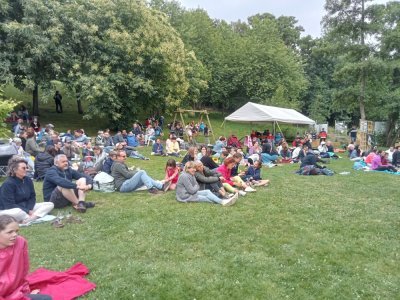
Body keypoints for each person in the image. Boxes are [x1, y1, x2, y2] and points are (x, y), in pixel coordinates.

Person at [0, 215, 52, 300]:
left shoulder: (20, 242)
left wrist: (25, 291)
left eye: (16, 231)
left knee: (46, 298)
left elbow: (23, 270)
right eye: (10, 232)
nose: (15, 235)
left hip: (14, 292)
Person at [0, 158, 54, 223]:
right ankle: (35, 216)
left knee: (50, 204)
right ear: (14, 170)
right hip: (11, 210)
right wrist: (27, 211)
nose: (26, 170)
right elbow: (9, 205)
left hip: (26, 207)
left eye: (26, 168)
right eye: (23, 168)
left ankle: (30, 219)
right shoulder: (8, 184)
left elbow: (32, 196)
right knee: (18, 212)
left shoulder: (28, 180)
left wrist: (29, 209)